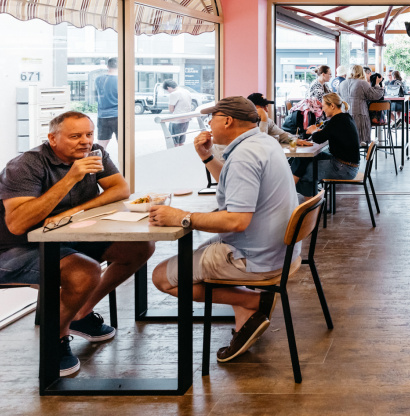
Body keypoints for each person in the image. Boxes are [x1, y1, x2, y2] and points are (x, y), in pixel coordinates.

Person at [0, 111, 153, 376]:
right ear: (53, 138)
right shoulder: (25, 165)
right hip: (17, 248)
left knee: (140, 246)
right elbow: (18, 224)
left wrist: (72, 212)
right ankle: (55, 340)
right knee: (85, 272)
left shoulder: (94, 154)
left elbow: (120, 189)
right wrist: (71, 177)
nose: (85, 141)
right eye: (75, 136)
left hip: (64, 237)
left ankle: (80, 313)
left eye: (89, 134)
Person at [150, 97, 298, 363]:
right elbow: (235, 187)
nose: (209, 124)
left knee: (161, 277)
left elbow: (236, 221)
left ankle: (253, 302)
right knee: (200, 252)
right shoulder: (264, 143)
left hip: (254, 258)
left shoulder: (244, 156)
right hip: (280, 252)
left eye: (212, 118)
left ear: (228, 121)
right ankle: (246, 313)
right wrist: (207, 157)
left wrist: (182, 217)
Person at [291, 93, 361, 197]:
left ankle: (311, 203)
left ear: (332, 106)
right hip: (348, 165)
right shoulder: (345, 117)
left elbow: (319, 139)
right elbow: (328, 133)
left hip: (344, 169)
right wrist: (318, 131)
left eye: (324, 106)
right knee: (304, 159)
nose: (322, 110)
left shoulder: (336, 120)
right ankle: (293, 189)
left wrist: (314, 131)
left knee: (304, 172)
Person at [338, 64, 384, 144]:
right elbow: (374, 96)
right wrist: (377, 84)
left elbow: (338, 98)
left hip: (344, 116)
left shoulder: (342, 84)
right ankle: (361, 145)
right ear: (361, 72)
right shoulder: (362, 83)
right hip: (360, 116)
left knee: (347, 140)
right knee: (361, 139)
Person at [94, 57, 118, 150]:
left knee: (101, 146)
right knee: (124, 146)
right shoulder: (122, 80)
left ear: (107, 66)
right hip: (118, 115)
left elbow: (97, 97)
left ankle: (98, 160)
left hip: (103, 116)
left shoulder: (98, 79)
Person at [163, 80, 194, 147]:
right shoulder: (186, 91)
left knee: (174, 142)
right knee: (181, 141)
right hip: (186, 119)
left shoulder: (174, 94)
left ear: (168, 87)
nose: (168, 92)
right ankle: (181, 153)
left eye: (167, 90)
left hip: (177, 120)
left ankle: (175, 153)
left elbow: (171, 109)